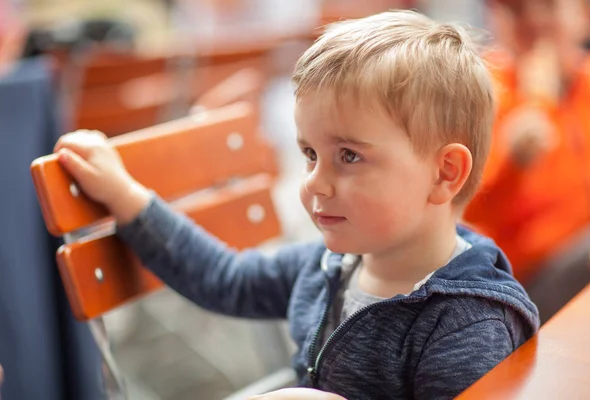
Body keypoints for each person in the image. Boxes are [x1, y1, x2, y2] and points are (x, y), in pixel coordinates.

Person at [53, 10, 538, 399]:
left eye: (348, 156)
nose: (315, 183)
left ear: (444, 173)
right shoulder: (332, 263)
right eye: (309, 153)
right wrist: (129, 199)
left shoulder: (468, 324)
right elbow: (227, 279)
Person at [463, 0, 590, 322]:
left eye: (549, 6)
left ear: (585, 17)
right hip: (519, 281)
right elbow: (464, 208)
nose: (534, 20)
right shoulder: (481, 89)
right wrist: (515, 159)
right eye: (517, 7)